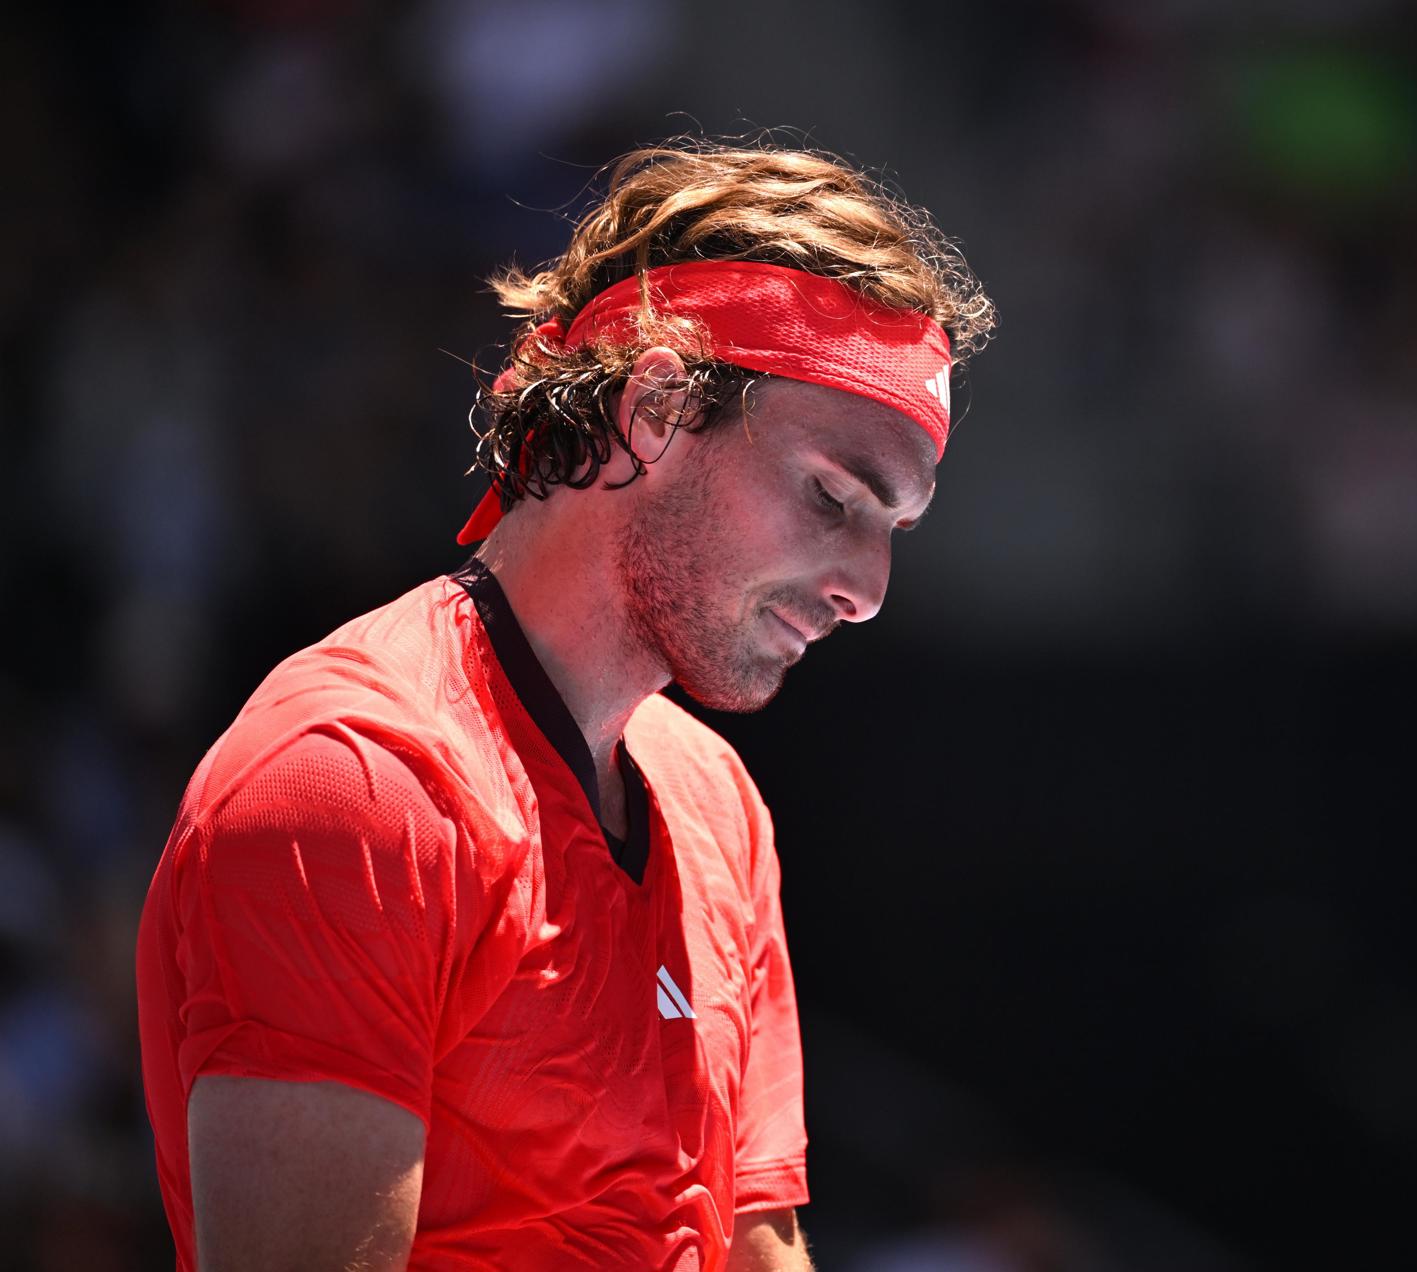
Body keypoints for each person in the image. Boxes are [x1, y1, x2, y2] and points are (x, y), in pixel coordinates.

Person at [135, 140, 996, 1271]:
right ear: (655, 409)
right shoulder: (352, 780)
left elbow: (754, 1250)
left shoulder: (716, 803)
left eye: (895, 529)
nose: (867, 589)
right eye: (833, 496)